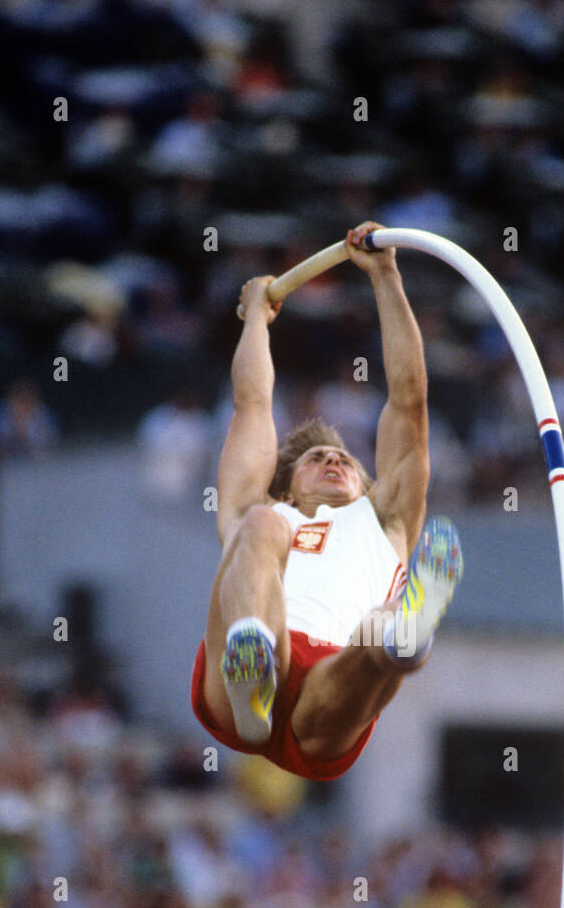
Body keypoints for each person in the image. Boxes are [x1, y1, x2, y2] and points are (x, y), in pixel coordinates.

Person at [190, 220, 463, 781]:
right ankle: (253, 676)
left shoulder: (385, 520)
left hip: (330, 686)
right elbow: (252, 404)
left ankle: (406, 636)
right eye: (317, 460)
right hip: (257, 650)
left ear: (368, 485)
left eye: (346, 462)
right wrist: (256, 322)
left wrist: (386, 276)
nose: (334, 461)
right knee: (260, 527)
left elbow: (409, 402)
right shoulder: (264, 508)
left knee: (382, 637)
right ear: (289, 484)